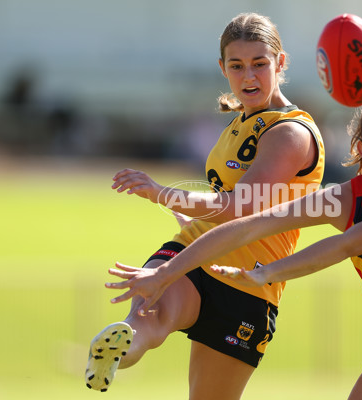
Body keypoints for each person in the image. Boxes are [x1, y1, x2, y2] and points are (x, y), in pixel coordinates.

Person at [106, 87, 362, 399]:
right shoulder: (348, 197)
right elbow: (252, 225)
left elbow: (347, 245)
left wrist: (265, 273)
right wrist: (165, 272)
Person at [85, 12, 325, 399]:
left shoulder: (291, 132)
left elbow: (239, 207)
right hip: (194, 250)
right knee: (151, 315)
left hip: (249, 282)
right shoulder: (237, 123)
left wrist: (163, 194)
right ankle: (123, 345)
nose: (249, 76)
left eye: (260, 64)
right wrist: (188, 212)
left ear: (281, 63)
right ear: (223, 69)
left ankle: (127, 344)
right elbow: (223, 202)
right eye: (237, 66)